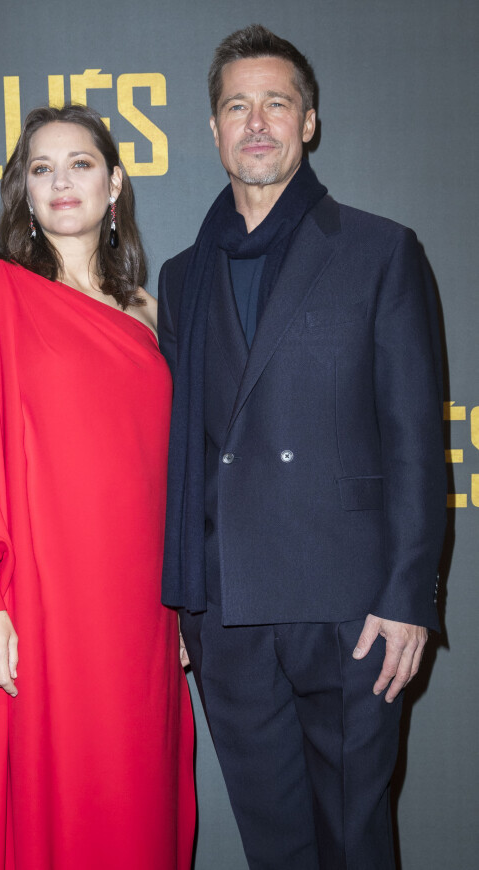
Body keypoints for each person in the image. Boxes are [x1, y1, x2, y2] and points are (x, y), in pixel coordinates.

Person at [158, 24, 446, 870]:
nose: (256, 122)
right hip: (230, 616)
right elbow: (181, 454)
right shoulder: (182, 277)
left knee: (356, 843)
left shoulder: (379, 250)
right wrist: (181, 602)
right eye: (236, 106)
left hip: (353, 611)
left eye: (275, 104)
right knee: (276, 850)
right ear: (212, 130)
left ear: (309, 122)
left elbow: (415, 441)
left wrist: (408, 599)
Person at [0, 103, 194, 870]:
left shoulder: (153, 317)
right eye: (42, 168)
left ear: (116, 186)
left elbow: (175, 475)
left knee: (136, 809)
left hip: (142, 612)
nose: (61, 181)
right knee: (54, 806)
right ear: (24, 194)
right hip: (38, 603)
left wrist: (184, 598)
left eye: (80, 164)